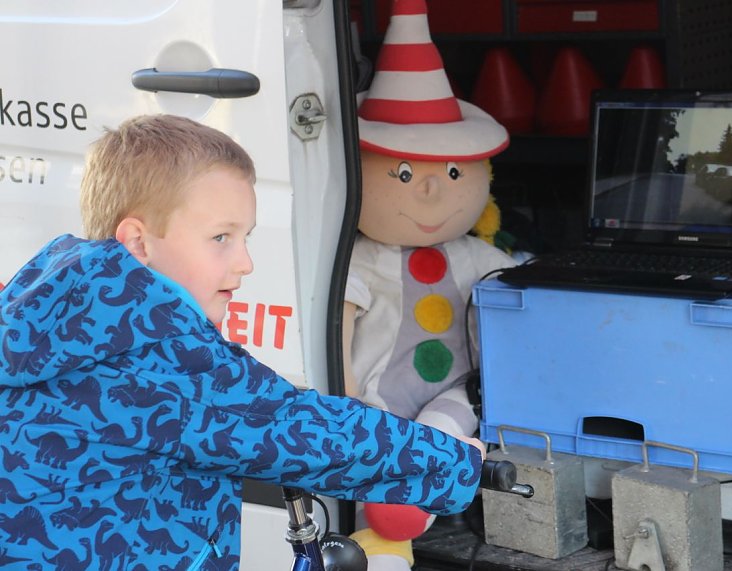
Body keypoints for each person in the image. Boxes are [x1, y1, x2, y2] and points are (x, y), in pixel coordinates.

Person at [0, 114, 485, 570]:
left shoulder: (53, 312)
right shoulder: (159, 350)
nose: (245, 262)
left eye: (246, 237)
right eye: (221, 238)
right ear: (138, 243)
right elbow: (296, 424)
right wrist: (453, 458)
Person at [341, 2, 516, 569]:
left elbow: (519, 298)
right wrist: (338, 407)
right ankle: (393, 518)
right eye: (407, 174)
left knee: (455, 414)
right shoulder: (362, 263)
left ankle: (421, 484)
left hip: (455, 397)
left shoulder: (476, 256)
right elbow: (337, 335)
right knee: (385, 452)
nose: (433, 194)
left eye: (454, 173)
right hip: (379, 409)